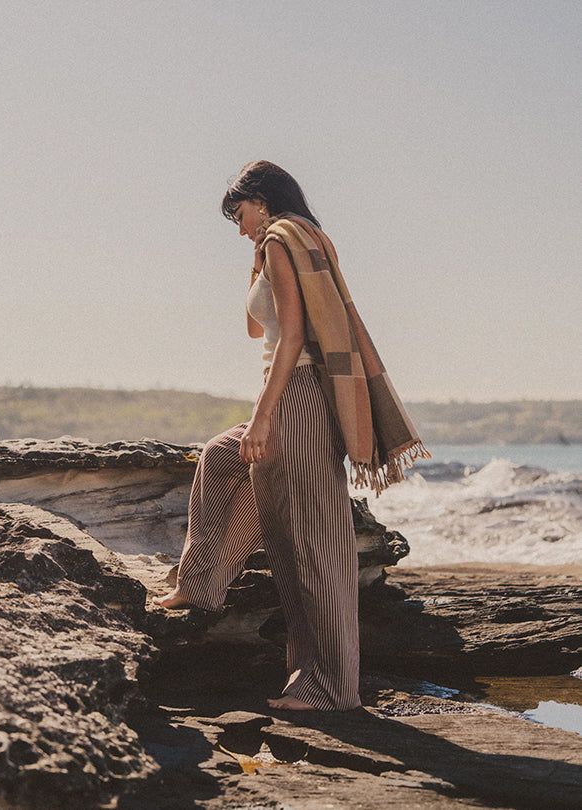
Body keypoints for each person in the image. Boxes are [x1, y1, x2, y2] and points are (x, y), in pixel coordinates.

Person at [155, 161, 429, 711]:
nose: (239, 228)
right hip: (297, 397)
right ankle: (204, 585)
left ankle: (329, 686)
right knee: (244, 484)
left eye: (239, 214)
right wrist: (255, 259)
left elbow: (293, 337)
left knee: (311, 543)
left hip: (296, 397)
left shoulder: (285, 239)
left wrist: (263, 416)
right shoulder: (285, 242)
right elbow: (256, 326)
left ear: (260, 199)